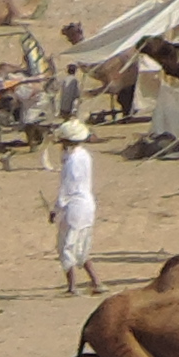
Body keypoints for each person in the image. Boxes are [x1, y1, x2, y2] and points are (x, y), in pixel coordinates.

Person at [47, 122, 103, 293]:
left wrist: (55, 210)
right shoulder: (84, 155)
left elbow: (67, 188)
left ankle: (72, 287)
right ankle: (96, 282)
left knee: (67, 246)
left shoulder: (72, 161)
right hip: (87, 205)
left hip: (74, 206)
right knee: (82, 245)